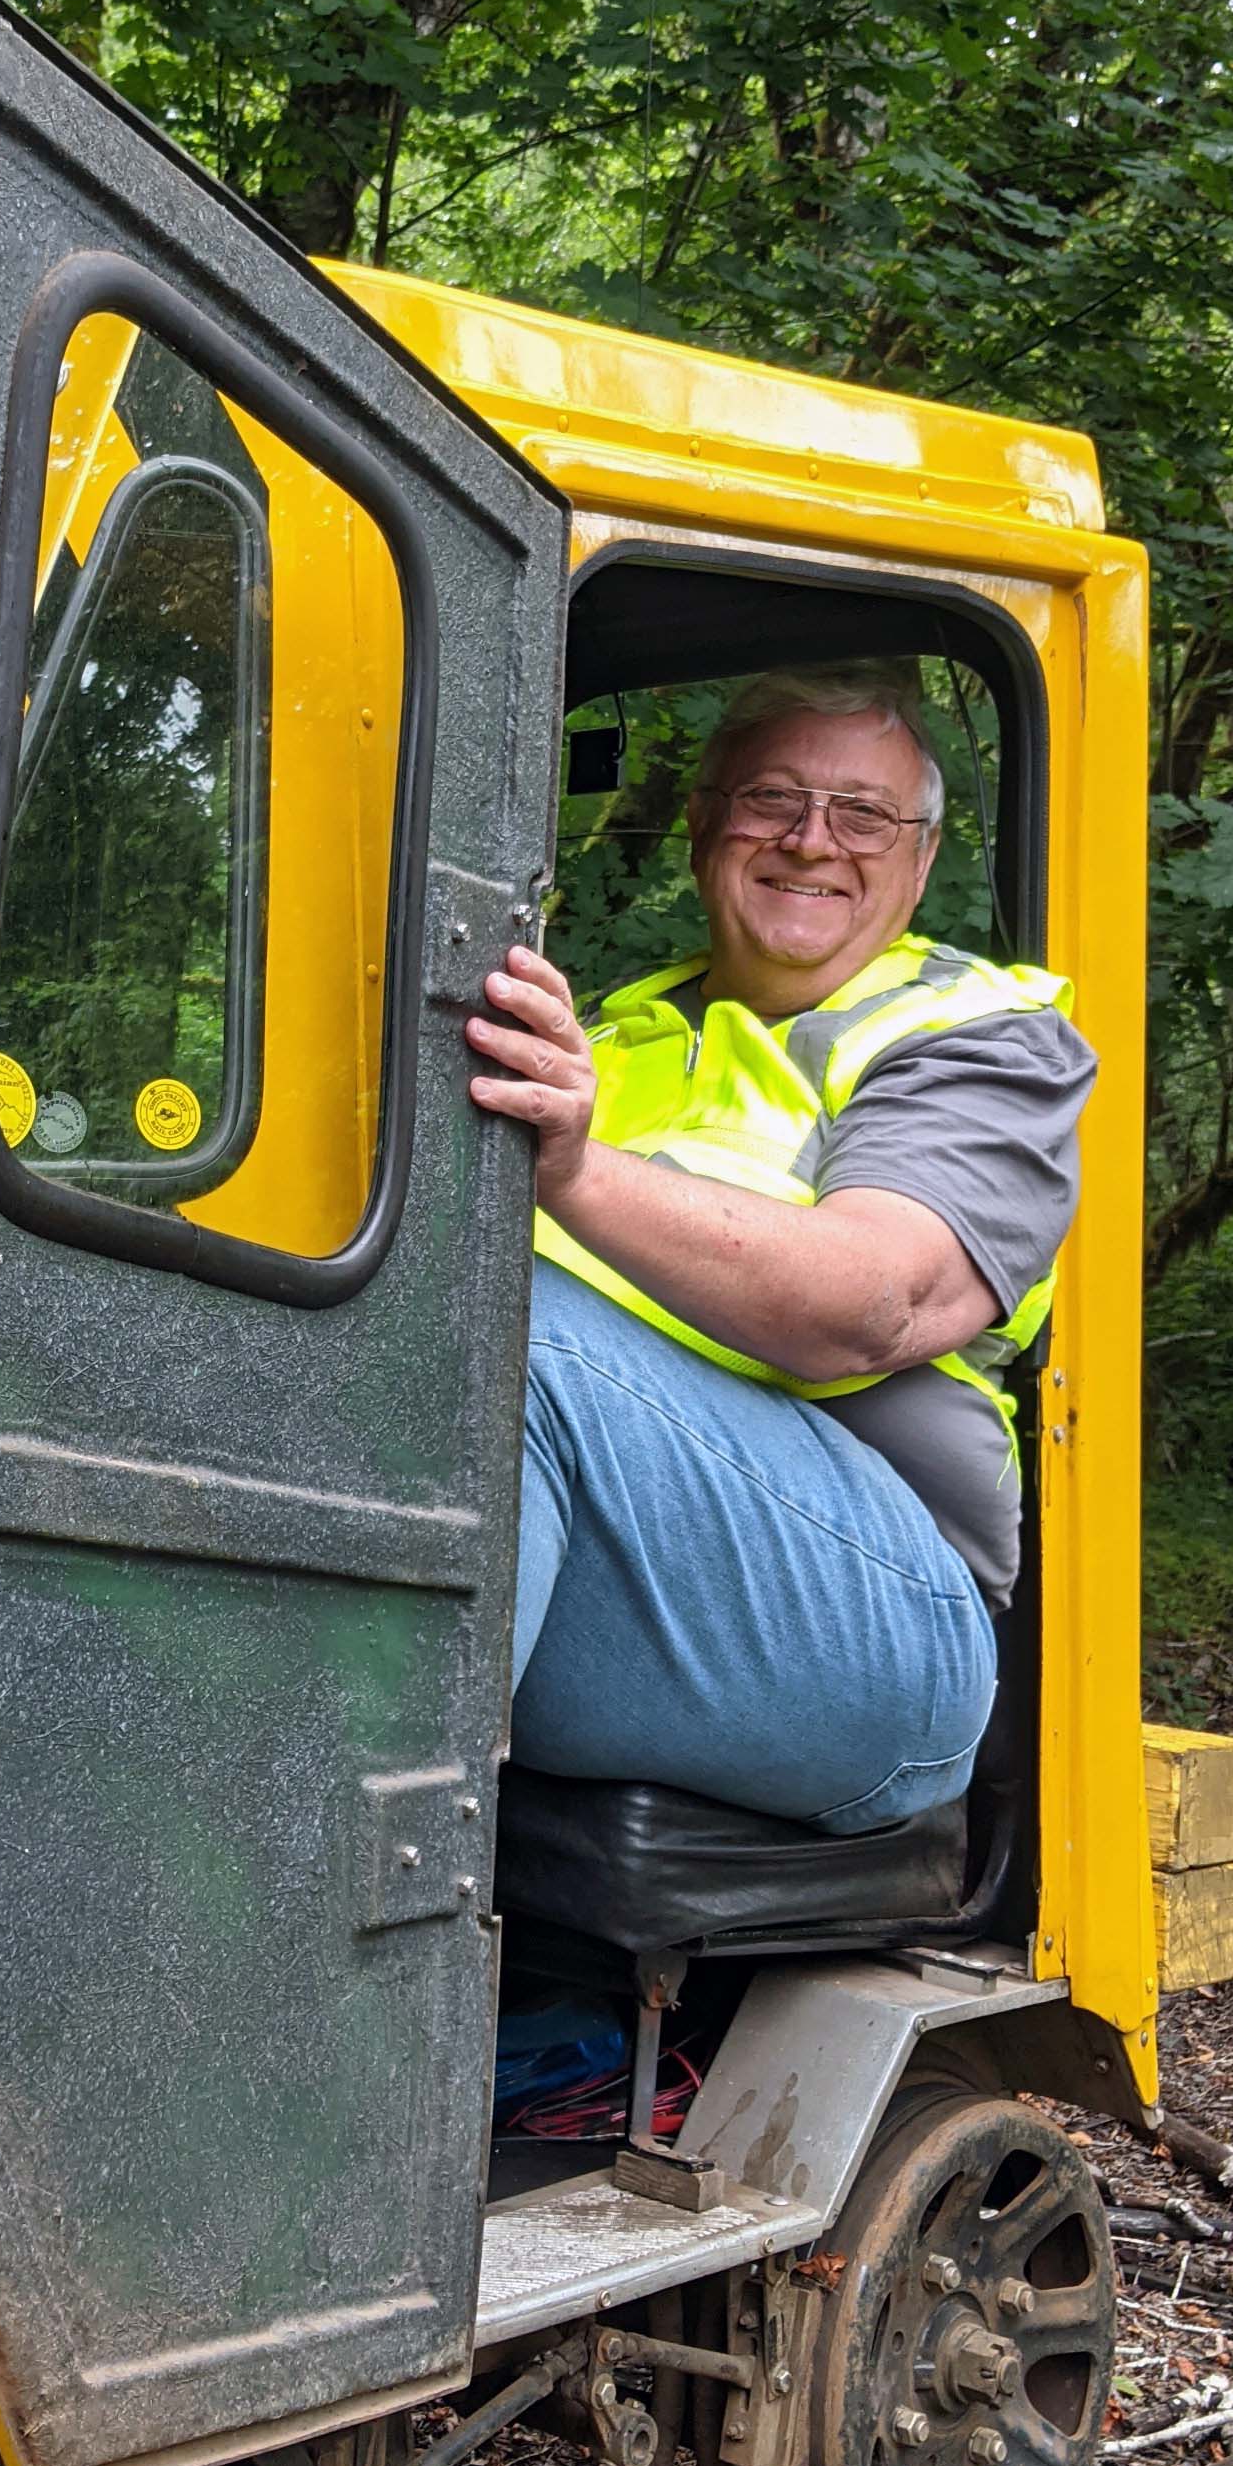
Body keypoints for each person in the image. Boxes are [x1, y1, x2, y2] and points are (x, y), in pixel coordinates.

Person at [466, 661, 1096, 1831]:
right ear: (703, 825)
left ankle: (338, 1914)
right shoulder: (606, 1033)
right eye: (771, 800)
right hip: (616, 1575)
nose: (814, 841)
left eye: (863, 814)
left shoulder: (981, 1039)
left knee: (511, 1343)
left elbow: (865, 1305)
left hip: (878, 1625)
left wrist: (578, 1171)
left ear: (921, 855)